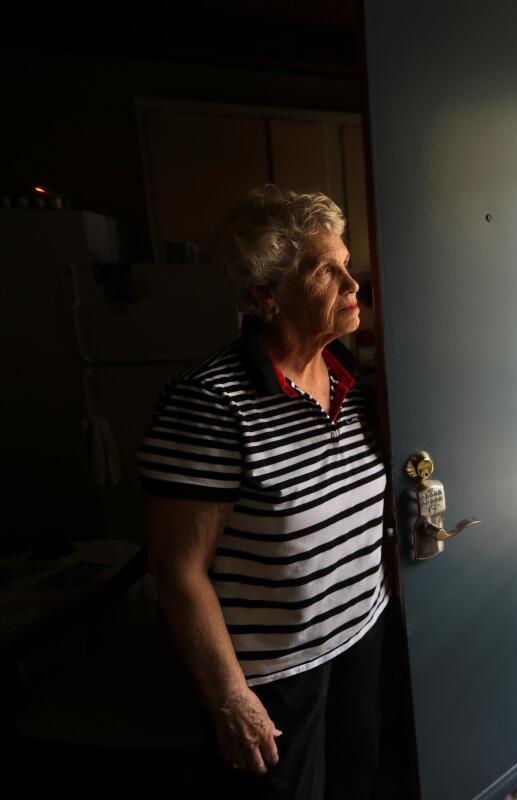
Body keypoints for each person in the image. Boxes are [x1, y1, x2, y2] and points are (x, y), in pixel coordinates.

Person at [138, 186, 396, 798]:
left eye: (346, 261)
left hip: (361, 637)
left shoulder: (353, 380)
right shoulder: (208, 402)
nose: (352, 283)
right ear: (266, 295)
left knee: (358, 784)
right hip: (276, 677)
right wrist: (232, 696)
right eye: (324, 270)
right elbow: (177, 569)